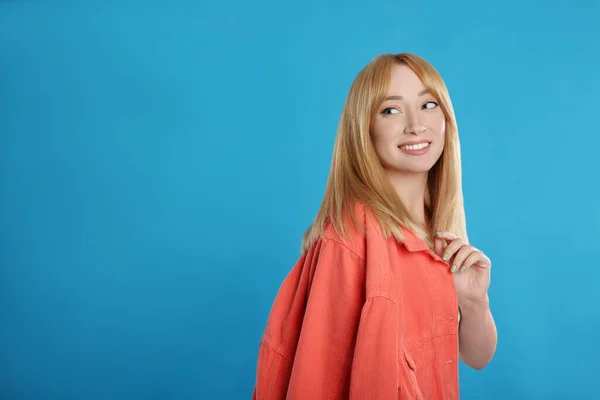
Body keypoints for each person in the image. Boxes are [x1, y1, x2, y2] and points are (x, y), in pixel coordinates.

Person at [251, 53, 497, 399]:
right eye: (391, 110)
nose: (415, 124)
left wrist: (473, 301)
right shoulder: (353, 237)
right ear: (364, 129)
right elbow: (315, 377)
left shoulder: (434, 234)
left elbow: (476, 357)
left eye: (428, 104)